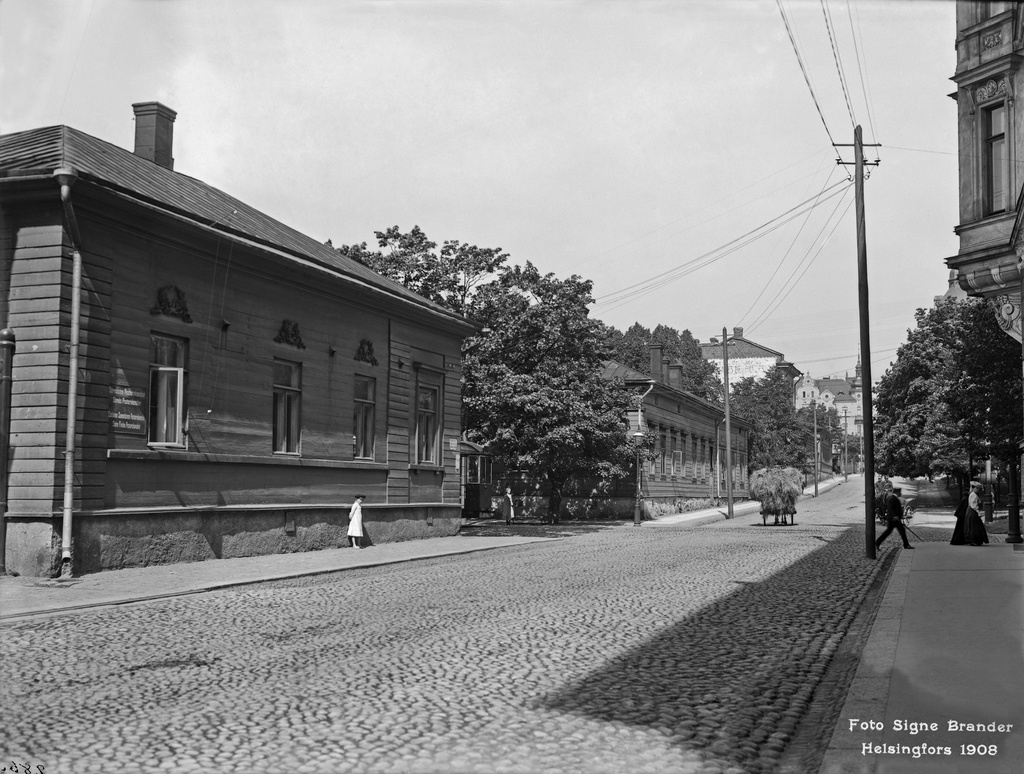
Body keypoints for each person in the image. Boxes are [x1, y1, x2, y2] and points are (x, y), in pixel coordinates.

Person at [875, 484, 914, 550]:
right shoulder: (892, 498)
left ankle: (877, 543)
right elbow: (890, 508)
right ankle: (906, 545)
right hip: (893, 519)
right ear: (897, 493)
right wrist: (895, 516)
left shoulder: (894, 498)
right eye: (900, 492)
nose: (901, 494)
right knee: (901, 530)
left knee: (888, 532)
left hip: (893, 519)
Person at [964, 480, 989, 547]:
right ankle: (974, 540)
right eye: (976, 488)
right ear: (973, 488)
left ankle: (976, 540)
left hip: (971, 511)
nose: (978, 489)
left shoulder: (972, 494)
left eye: (978, 488)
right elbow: (973, 504)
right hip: (972, 511)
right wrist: (978, 511)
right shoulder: (973, 495)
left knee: (974, 526)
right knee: (974, 526)